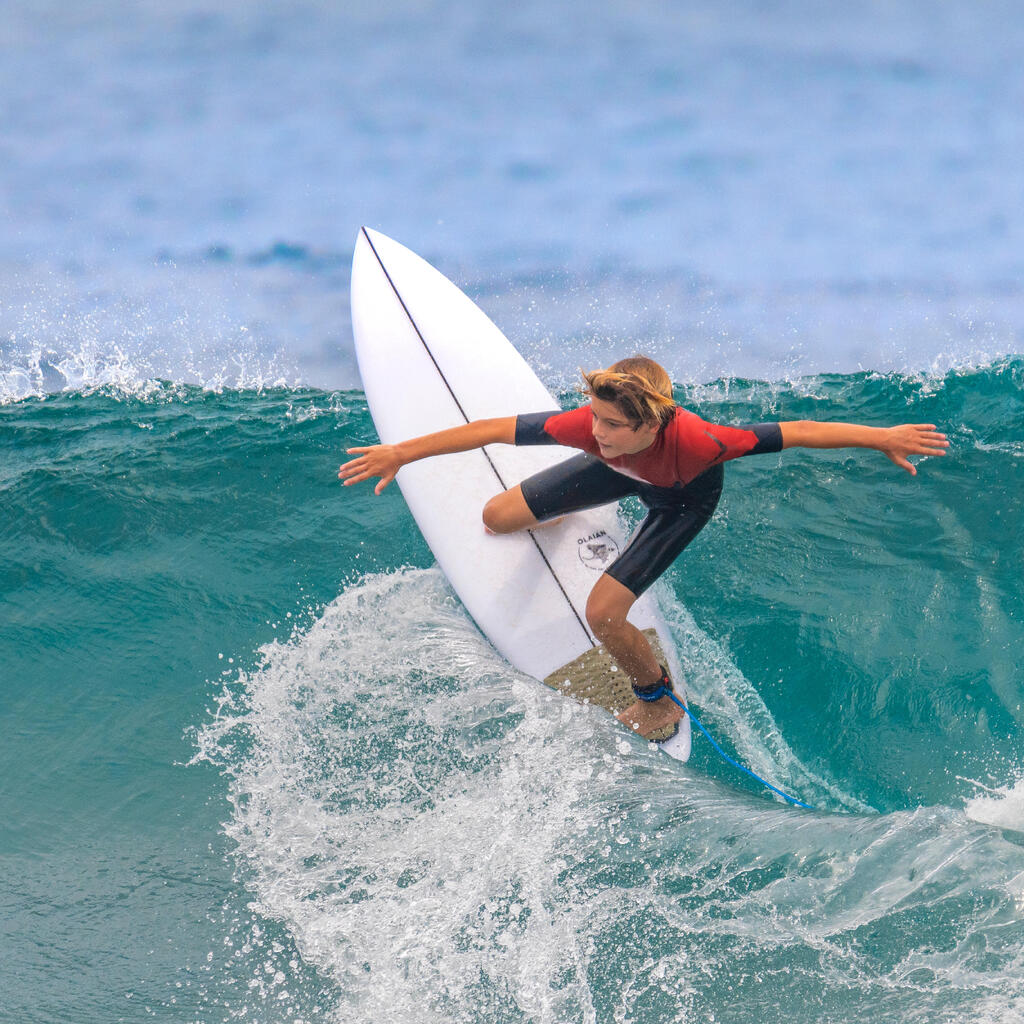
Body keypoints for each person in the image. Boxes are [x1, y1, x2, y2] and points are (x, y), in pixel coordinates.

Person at [338, 356, 948, 740]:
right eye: (594, 418)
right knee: (498, 517)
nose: (591, 429)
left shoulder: (708, 442)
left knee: (603, 613)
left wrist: (881, 438)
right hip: (623, 474)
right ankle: (575, 505)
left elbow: (801, 433)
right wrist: (401, 452)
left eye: (609, 423)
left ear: (651, 424)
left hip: (679, 501)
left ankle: (657, 699)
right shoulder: (592, 430)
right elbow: (492, 430)